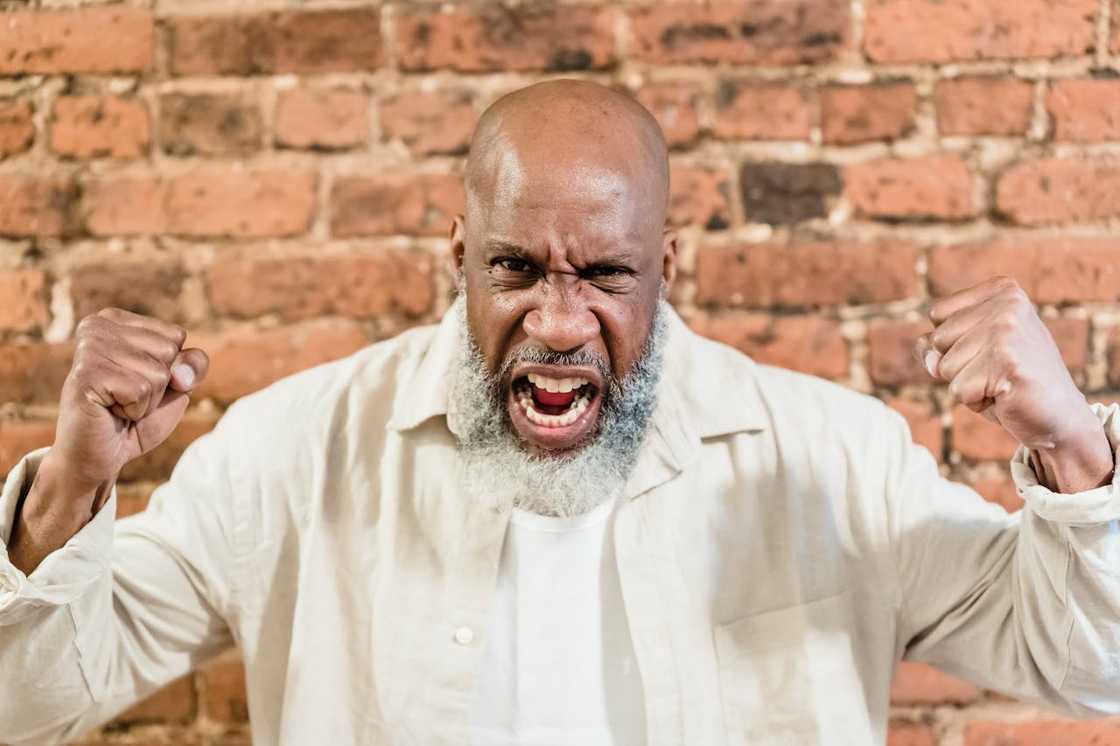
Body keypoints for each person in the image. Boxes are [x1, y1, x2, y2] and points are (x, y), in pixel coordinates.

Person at [1, 79, 1118, 746]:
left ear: (667, 263)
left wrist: (1070, 445)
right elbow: (27, 697)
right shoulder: (292, 453)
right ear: (456, 256)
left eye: (605, 274)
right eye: (515, 267)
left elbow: (1089, 663)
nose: (558, 321)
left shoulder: (834, 457)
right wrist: (68, 489)